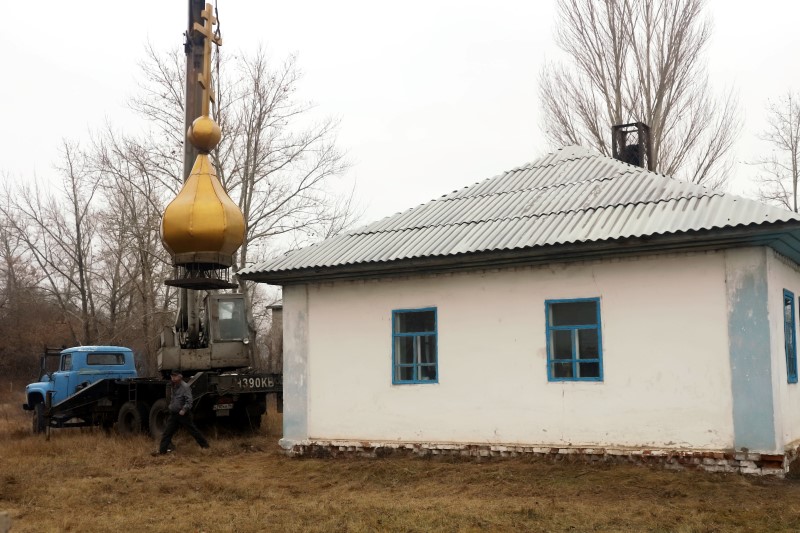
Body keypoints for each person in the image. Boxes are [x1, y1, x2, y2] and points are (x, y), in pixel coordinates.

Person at [152, 370, 210, 455]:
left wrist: (184, 410)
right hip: (174, 414)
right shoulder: (173, 386)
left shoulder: (185, 387)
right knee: (167, 433)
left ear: (180, 376)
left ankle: (205, 446)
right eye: (172, 376)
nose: (173, 378)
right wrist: (170, 407)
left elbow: (189, 401)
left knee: (193, 431)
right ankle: (162, 452)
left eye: (175, 376)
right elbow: (172, 398)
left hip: (183, 414)